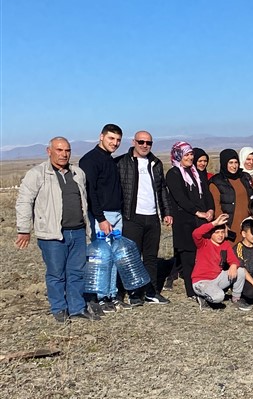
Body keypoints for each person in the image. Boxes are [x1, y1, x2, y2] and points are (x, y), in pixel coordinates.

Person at [15, 137, 97, 323]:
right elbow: (24, 201)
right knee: (56, 274)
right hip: (52, 234)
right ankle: (59, 308)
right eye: (59, 150)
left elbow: (84, 201)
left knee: (77, 272)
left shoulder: (77, 173)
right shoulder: (37, 174)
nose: (63, 154)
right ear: (49, 151)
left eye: (67, 150)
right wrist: (24, 229)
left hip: (77, 231)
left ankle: (77, 308)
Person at [116, 130, 173, 305]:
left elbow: (162, 189)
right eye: (141, 142)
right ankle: (133, 292)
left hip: (152, 217)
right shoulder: (121, 163)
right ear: (133, 142)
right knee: (131, 257)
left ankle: (151, 291)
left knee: (151, 256)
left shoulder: (156, 163)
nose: (145, 145)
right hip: (131, 217)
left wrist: (166, 212)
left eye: (148, 143)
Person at [79, 123, 125, 313]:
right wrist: (100, 218)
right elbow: (91, 192)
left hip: (116, 214)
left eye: (118, 140)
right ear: (101, 137)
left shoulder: (110, 160)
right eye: (111, 139)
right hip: (101, 216)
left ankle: (111, 295)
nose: (114, 143)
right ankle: (97, 296)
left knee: (114, 256)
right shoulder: (90, 160)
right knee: (101, 257)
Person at [165, 142, 214, 299]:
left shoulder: (195, 173)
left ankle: (203, 284)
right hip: (184, 221)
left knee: (201, 254)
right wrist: (197, 212)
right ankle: (191, 290)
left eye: (191, 154)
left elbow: (206, 193)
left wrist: (210, 209)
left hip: (201, 219)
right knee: (188, 257)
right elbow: (180, 198)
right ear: (178, 156)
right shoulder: (173, 174)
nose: (190, 158)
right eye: (186, 155)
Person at [191, 214, 245, 310]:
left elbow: (234, 260)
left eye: (222, 232)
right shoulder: (204, 243)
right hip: (201, 281)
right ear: (211, 233)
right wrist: (214, 223)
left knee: (240, 271)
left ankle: (236, 298)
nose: (220, 235)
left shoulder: (225, 245)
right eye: (217, 232)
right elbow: (196, 233)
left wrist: (233, 265)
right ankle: (202, 297)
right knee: (219, 297)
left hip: (217, 278)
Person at [209, 148, 253, 245]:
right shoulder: (216, 182)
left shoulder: (244, 177)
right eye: (230, 163)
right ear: (224, 163)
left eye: (236, 162)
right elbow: (217, 207)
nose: (234, 166)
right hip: (230, 225)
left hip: (247, 224)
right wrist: (223, 225)